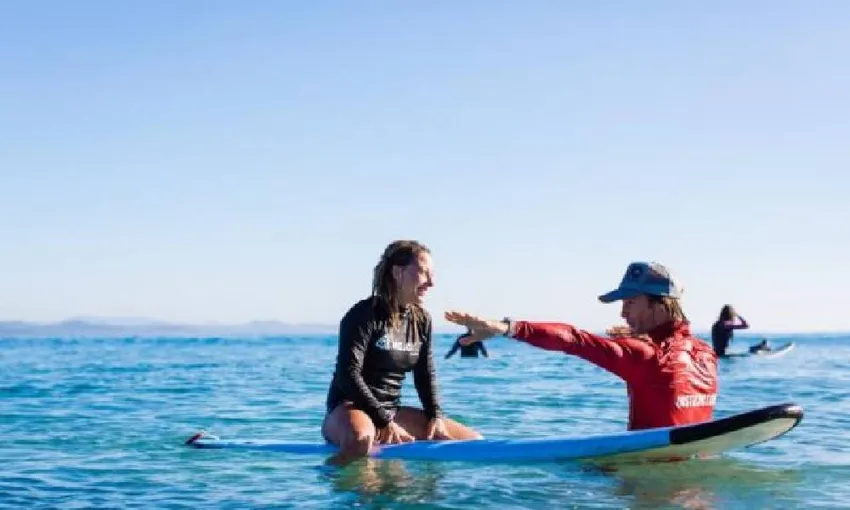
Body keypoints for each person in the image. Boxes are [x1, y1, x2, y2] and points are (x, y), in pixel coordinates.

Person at [444, 261, 718, 431]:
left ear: (660, 304)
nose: (623, 313)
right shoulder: (706, 353)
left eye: (630, 302)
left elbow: (574, 339)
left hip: (643, 479)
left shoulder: (645, 354)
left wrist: (506, 327)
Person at [322, 240, 483, 461]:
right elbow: (347, 374)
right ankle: (333, 475)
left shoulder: (421, 320)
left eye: (432, 274)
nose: (431, 282)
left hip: (390, 410)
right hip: (349, 408)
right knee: (361, 440)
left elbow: (425, 374)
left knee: (473, 442)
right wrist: (383, 421)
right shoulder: (364, 315)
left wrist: (435, 416)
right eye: (424, 272)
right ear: (398, 273)